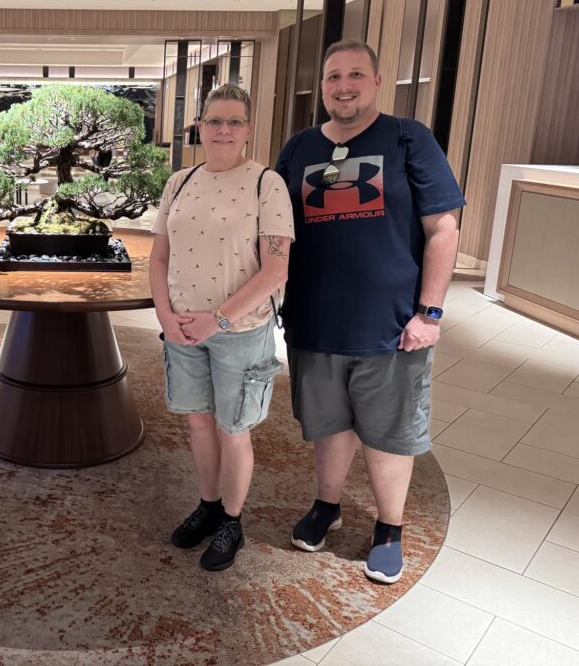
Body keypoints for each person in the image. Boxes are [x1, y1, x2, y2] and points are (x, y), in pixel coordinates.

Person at [275, 39, 464, 584]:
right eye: (334, 76)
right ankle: (327, 506)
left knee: (389, 432)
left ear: (377, 81)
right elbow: (274, 227)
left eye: (355, 74)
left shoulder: (409, 139)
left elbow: (443, 228)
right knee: (329, 426)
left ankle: (389, 527)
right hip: (314, 320)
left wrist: (429, 313)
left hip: (392, 325)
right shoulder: (300, 147)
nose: (343, 85)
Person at [150, 83, 293, 572]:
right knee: (197, 421)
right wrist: (166, 316)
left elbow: (276, 270)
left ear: (249, 130)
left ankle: (233, 520)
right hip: (185, 328)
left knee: (235, 429)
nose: (223, 130)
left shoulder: (266, 183)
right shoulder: (180, 181)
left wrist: (220, 319)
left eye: (234, 122)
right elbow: (159, 255)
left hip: (239, 330)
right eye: (215, 121)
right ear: (200, 127)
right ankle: (208, 505)